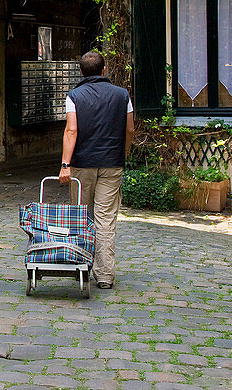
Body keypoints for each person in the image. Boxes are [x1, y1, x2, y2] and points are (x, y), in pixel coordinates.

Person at [58, 50, 134, 290]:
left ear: (81, 72)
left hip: (82, 163)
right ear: (104, 70)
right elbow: (130, 129)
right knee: (105, 219)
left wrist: (65, 164)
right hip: (111, 162)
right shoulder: (122, 95)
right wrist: (124, 151)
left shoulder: (74, 96)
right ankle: (105, 275)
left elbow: (71, 131)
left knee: (82, 216)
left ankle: (82, 267)